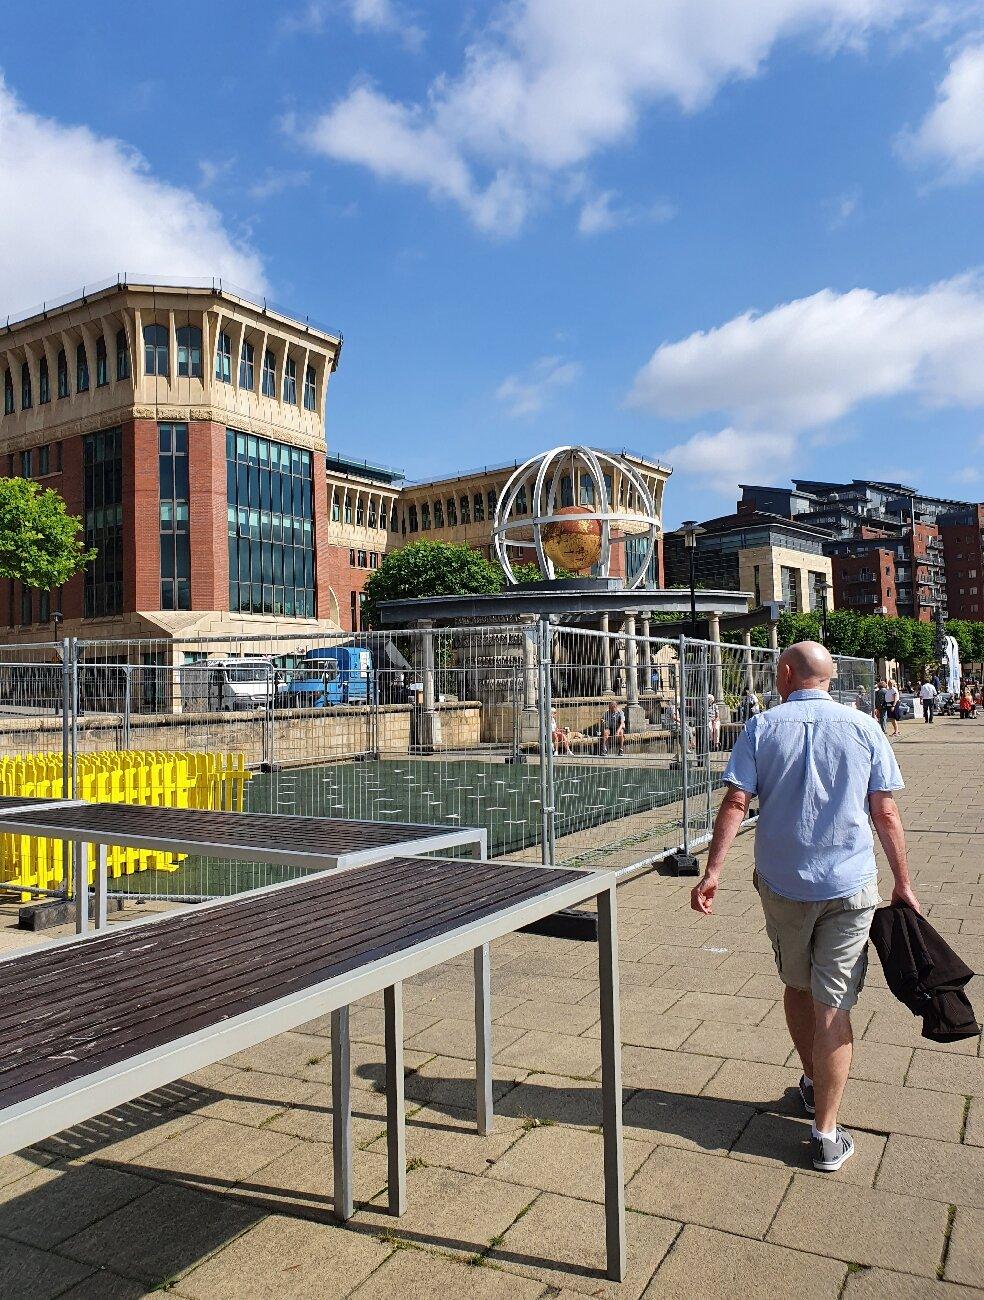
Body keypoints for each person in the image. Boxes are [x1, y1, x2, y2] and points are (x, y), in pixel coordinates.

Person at [690, 641, 919, 1174]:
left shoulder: (762, 728)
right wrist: (903, 882)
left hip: (783, 882)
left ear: (787, 675)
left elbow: (735, 802)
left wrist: (713, 870)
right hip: (848, 883)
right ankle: (825, 1132)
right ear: (830, 678)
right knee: (833, 1002)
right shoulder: (864, 728)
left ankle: (813, 1081)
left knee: (796, 985)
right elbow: (885, 811)